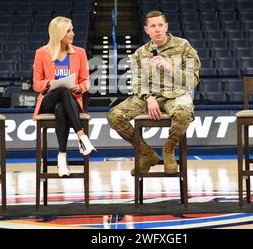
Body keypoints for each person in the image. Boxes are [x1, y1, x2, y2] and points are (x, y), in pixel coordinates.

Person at [107, 10, 201, 175]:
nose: (157, 29)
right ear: (146, 29)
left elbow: (193, 79)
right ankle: (146, 153)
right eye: (153, 26)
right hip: (150, 96)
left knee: (183, 114)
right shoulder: (140, 54)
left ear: (166, 27)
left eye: (160, 25)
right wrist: (148, 98)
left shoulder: (183, 46)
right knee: (114, 116)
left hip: (177, 94)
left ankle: (168, 149)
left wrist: (170, 67)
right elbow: (137, 83)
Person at [33, 16, 96, 177]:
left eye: (72, 30)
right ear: (59, 33)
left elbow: (85, 81)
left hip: (71, 100)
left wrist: (79, 87)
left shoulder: (80, 53)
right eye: (69, 30)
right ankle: (82, 136)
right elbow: (36, 85)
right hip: (48, 99)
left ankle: (62, 158)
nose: (73, 33)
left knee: (61, 107)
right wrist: (50, 83)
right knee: (61, 90)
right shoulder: (41, 53)